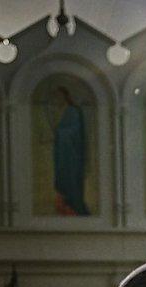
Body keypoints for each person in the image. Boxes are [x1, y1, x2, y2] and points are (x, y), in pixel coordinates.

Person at [52, 86, 89, 216]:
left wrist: (59, 132)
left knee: (72, 180)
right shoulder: (62, 111)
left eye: (59, 96)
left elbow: (75, 131)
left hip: (72, 155)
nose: (57, 99)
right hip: (63, 154)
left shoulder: (73, 111)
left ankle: (74, 207)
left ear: (65, 96)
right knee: (63, 180)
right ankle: (66, 206)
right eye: (55, 97)